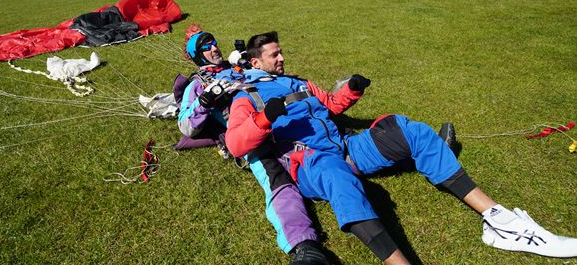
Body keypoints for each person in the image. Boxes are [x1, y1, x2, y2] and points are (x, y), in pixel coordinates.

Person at [225, 31, 577, 264]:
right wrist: (265, 118)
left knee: (409, 130)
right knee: (336, 174)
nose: (282, 57)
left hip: (345, 147)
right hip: (312, 163)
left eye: (282, 52)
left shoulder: (299, 82)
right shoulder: (248, 96)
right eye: (274, 55)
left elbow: (330, 105)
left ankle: (500, 220)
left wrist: (352, 90)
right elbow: (235, 143)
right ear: (255, 63)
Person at [177, 26, 331, 265]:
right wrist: (205, 100)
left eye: (214, 42)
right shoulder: (196, 85)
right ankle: (305, 247)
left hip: (284, 118)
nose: (214, 48)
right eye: (206, 47)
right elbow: (186, 126)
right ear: (197, 55)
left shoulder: (235, 67)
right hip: (251, 134)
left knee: (324, 147)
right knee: (277, 181)